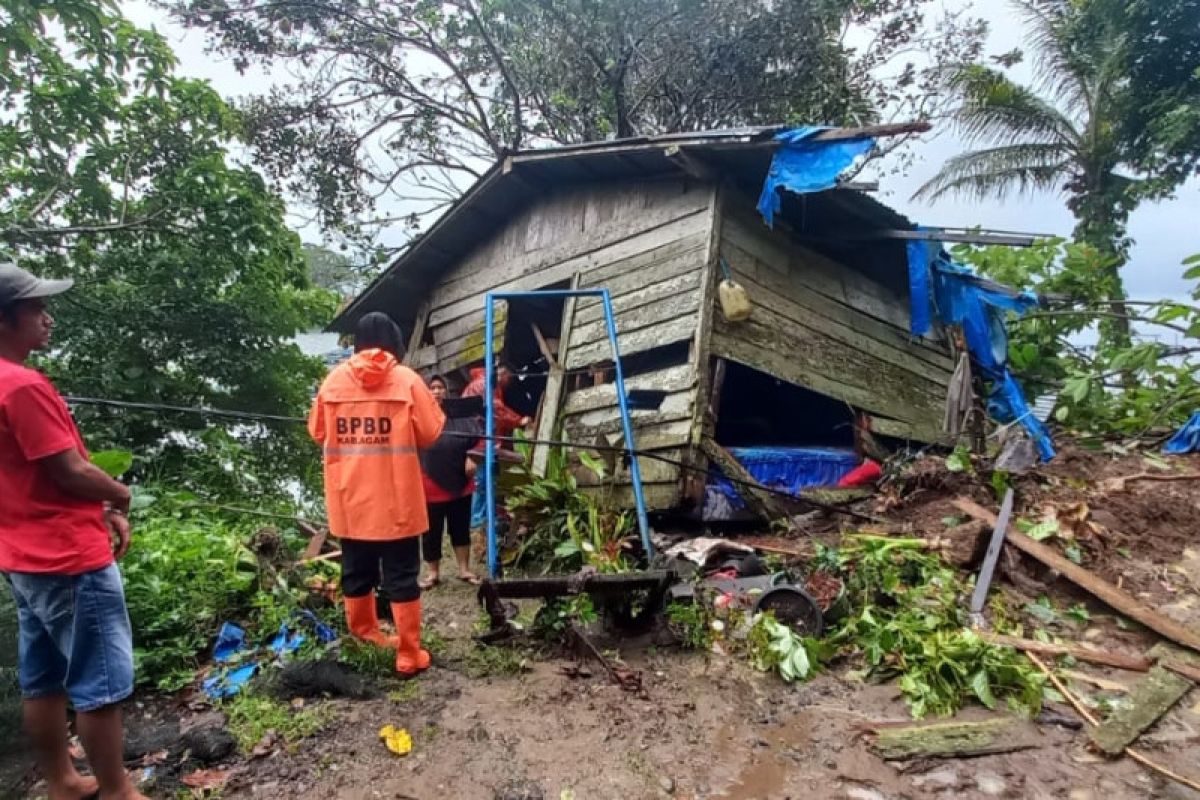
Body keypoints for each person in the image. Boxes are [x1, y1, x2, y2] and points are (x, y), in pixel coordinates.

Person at [0, 262, 148, 800]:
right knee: (100, 682)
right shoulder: (21, 385)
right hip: (67, 556)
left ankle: (63, 781)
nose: (47, 317)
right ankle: (118, 791)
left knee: (42, 678)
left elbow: (31, 470)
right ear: (5, 319)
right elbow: (68, 470)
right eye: (36, 308)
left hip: (20, 553)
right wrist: (118, 493)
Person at [308, 312, 445, 676]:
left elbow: (317, 432)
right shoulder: (407, 381)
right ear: (395, 341)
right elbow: (431, 433)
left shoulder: (333, 382)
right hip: (396, 500)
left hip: (350, 500)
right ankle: (408, 655)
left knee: (356, 573)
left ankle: (364, 637)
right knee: (401, 575)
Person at [419, 376, 483, 588]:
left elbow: (481, 438)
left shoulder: (461, 415)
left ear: (446, 391)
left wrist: (473, 456)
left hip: (461, 484)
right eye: (432, 388)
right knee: (431, 532)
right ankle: (433, 573)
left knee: (460, 527)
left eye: (440, 388)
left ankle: (464, 569)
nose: (436, 392)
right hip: (430, 484)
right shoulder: (418, 416)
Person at [462, 363, 531, 529]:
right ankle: (479, 519)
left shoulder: (486, 383)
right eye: (509, 379)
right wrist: (519, 420)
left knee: (486, 479)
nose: (509, 384)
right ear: (503, 375)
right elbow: (496, 410)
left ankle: (485, 516)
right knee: (483, 480)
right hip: (480, 439)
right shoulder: (485, 384)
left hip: (482, 438)